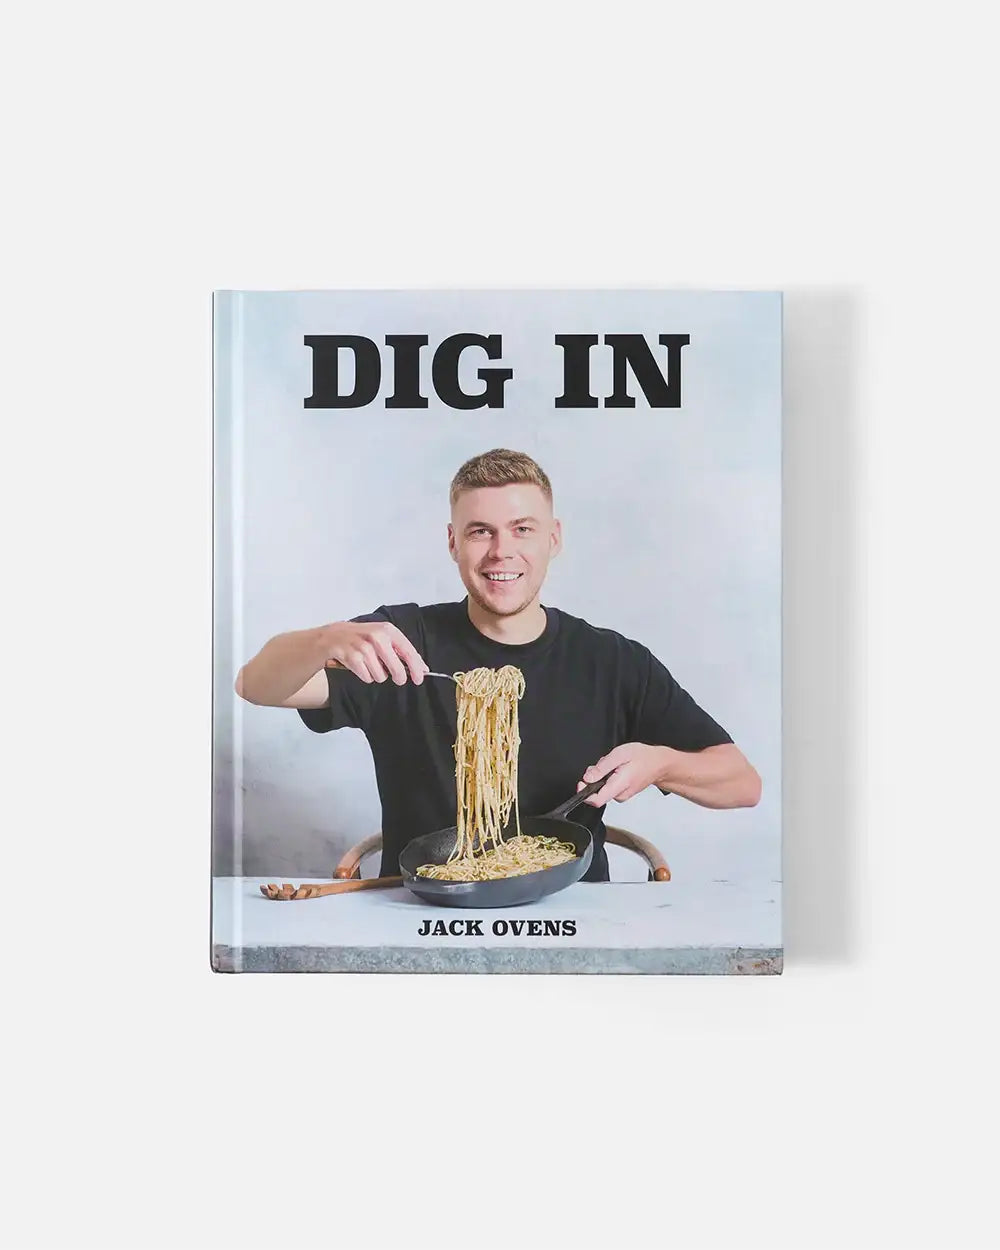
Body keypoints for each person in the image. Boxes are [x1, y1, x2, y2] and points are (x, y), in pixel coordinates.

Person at [235, 448, 761, 882]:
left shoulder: (611, 661)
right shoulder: (399, 641)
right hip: (427, 906)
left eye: (522, 529)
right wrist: (322, 639)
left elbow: (742, 783)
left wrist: (662, 763)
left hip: (573, 911)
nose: (501, 552)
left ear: (553, 539)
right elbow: (256, 685)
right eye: (481, 531)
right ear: (453, 543)